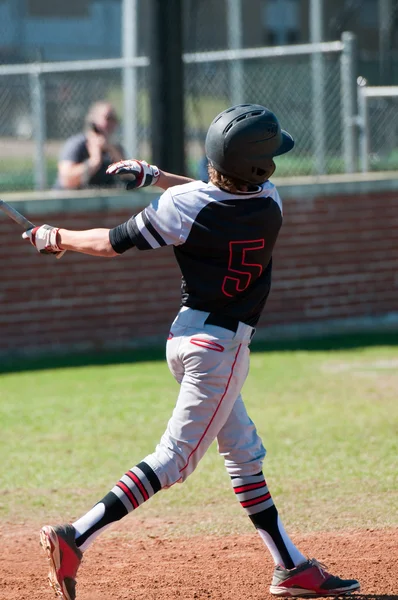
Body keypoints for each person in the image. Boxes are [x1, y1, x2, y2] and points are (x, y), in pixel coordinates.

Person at [23, 104, 360, 600]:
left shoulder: (183, 206)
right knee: (174, 461)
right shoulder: (271, 203)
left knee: (245, 456)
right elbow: (216, 192)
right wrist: (156, 176)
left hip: (186, 340)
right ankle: (76, 537)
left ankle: (290, 567)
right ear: (259, 169)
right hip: (219, 351)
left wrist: (57, 237)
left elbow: (113, 242)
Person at [54, 100, 125, 190]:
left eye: (114, 119)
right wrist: (94, 162)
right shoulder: (77, 145)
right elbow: (66, 180)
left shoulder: (116, 148)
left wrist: (112, 151)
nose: (111, 123)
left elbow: (132, 178)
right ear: (93, 121)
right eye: (107, 118)